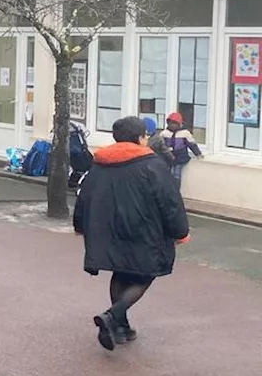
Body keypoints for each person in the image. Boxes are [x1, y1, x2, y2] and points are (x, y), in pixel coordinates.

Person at [74, 115, 189, 351]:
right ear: (139, 138)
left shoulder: (100, 163)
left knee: (121, 272)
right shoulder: (152, 165)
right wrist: (180, 231)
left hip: (109, 231)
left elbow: (84, 195)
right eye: (145, 136)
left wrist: (79, 224)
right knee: (146, 274)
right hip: (144, 231)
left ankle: (121, 326)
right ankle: (111, 315)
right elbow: (169, 202)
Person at [161, 112, 202, 187]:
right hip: (168, 157)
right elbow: (160, 145)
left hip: (181, 157)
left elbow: (192, 144)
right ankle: (169, 190)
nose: (172, 125)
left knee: (176, 173)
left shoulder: (185, 133)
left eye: (174, 123)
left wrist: (198, 153)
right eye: (170, 123)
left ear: (179, 124)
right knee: (169, 173)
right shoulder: (164, 133)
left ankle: (176, 190)